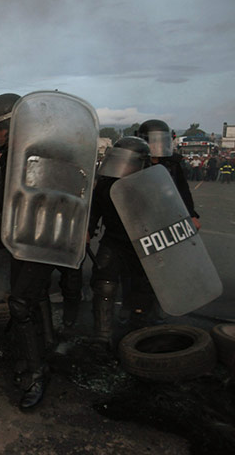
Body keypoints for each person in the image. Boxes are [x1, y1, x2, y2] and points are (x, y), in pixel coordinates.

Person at [0, 93, 85, 410]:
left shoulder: (42, 152)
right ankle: (43, 351)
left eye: (1, 129)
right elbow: (9, 190)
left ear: (18, 125)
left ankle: (37, 375)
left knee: (21, 305)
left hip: (43, 239)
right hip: (20, 238)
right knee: (32, 299)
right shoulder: (12, 154)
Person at [89, 137, 156, 347]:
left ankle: (139, 329)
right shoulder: (106, 184)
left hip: (143, 241)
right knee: (104, 285)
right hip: (114, 240)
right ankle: (102, 334)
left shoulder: (150, 185)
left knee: (142, 284)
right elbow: (95, 210)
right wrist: (87, 231)